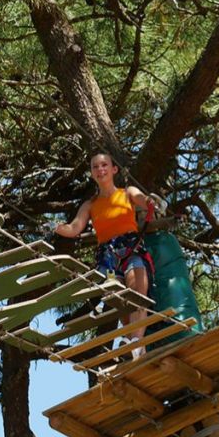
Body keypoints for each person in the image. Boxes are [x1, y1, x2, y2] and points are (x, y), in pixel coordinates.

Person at [53, 151, 155, 358]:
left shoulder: (127, 192)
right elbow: (74, 228)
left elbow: (143, 200)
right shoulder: (90, 205)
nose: (100, 170)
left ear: (114, 169)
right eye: (95, 167)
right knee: (121, 301)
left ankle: (134, 342)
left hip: (130, 247)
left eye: (104, 165)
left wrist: (151, 202)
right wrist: (56, 227)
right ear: (92, 173)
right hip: (107, 256)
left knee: (136, 293)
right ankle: (137, 347)